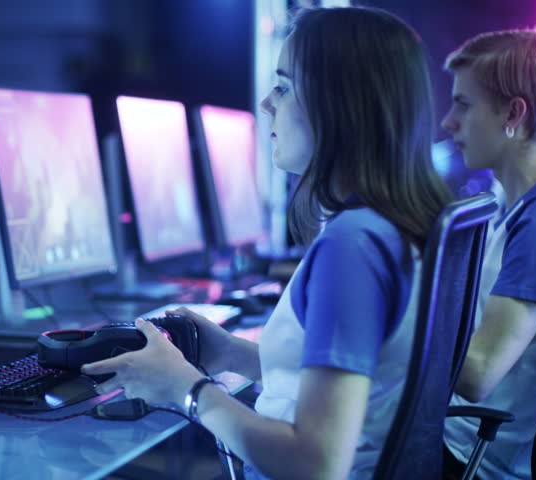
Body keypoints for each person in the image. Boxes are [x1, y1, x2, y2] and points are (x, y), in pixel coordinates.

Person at [81, 7, 451, 479]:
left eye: (283, 86)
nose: (266, 104)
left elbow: (317, 463)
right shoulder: (388, 227)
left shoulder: (352, 246)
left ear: (338, 103)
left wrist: (185, 389)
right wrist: (228, 352)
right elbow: (343, 382)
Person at [440, 27, 536, 480]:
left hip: (475, 462)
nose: (448, 122)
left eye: (463, 104)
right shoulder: (514, 205)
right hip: (458, 443)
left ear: (514, 113)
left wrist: (388, 319)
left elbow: (478, 374)